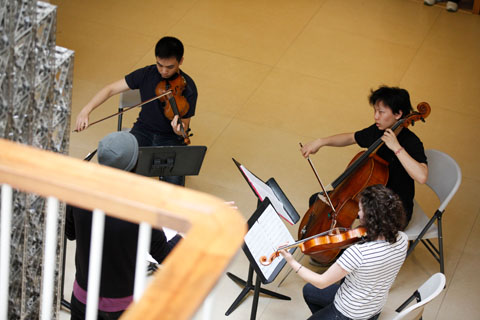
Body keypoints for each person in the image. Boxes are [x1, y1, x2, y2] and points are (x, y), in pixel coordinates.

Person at [65, 131, 182, 320]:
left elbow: (70, 233)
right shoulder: (141, 208)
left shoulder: (79, 192)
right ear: (134, 165)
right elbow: (165, 255)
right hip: (120, 307)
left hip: (82, 298)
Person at [75, 36, 198, 186]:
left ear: (181, 61)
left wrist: (179, 130)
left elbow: (184, 126)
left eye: (170, 67)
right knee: (120, 170)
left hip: (170, 137)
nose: (164, 71)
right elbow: (110, 89)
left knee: (175, 185)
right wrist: (85, 110)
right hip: (142, 131)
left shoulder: (188, 87)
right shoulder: (146, 74)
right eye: (160, 65)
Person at [301, 85, 428, 225]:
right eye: (375, 111)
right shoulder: (378, 131)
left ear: (398, 114)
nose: (375, 117)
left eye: (381, 112)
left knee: (359, 239)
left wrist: (396, 147)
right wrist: (321, 142)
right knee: (317, 202)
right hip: (371, 199)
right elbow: (351, 138)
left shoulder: (411, 142)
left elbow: (422, 176)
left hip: (394, 210)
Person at [280, 184, 408, 320]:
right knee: (309, 291)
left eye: (360, 210)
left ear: (371, 218)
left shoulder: (358, 253)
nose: (358, 214)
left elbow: (321, 282)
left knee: (315, 288)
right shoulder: (403, 239)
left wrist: (291, 261)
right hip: (374, 307)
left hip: (348, 313)